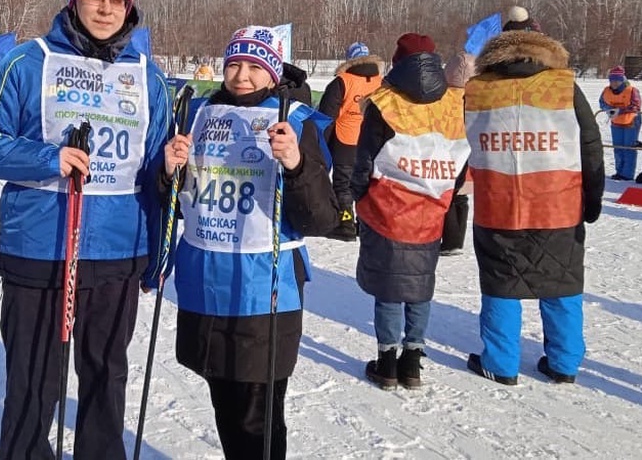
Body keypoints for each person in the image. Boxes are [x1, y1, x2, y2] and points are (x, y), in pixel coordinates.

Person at [0, 0, 170, 460]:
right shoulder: (28, 62)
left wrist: (157, 252)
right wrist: (49, 159)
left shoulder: (148, 76)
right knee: (35, 377)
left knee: (106, 376)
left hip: (119, 248)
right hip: (42, 245)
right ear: (75, 1)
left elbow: (160, 171)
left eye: (115, 0)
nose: (105, 8)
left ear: (128, 8)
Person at [161, 25, 337, 459]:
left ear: (274, 71)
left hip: (265, 285)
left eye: (255, 66)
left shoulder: (292, 120)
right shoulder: (199, 112)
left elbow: (321, 217)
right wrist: (170, 171)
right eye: (235, 63)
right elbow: (177, 204)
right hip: (205, 278)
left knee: (256, 411)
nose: (241, 74)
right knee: (224, 397)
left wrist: (295, 164)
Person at [463, 29, 604, 386]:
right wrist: (593, 197)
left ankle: (501, 362)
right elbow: (590, 144)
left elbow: (459, 144)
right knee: (562, 282)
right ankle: (564, 362)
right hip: (558, 203)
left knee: (501, 284)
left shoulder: (478, 90)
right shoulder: (562, 86)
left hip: (499, 205)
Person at [350, 33, 470, 390]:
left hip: (387, 210)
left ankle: (387, 363)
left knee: (389, 288)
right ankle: (413, 362)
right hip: (431, 210)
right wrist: (447, 193)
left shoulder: (385, 103)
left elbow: (365, 159)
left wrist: (356, 196)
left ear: (397, 63)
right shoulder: (453, 103)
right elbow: (460, 159)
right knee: (420, 286)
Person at [318, 41, 383, 241]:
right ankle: (366, 224)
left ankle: (345, 224)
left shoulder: (342, 81)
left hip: (345, 139)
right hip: (373, 140)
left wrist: (321, 144)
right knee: (369, 183)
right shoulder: (380, 81)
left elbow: (327, 117)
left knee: (342, 184)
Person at [439, 51, 477, 255]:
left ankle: (451, 240)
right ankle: (457, 239)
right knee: (461, 197)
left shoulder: (442, 97)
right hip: (471, 150)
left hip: (450, 150)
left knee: (449, 196)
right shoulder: (479, 97)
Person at [600, 65, 642, 180]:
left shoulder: (632, 90)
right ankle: (619, 172)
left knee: (629, 148)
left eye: (617, 80)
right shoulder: (606, 91)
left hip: (632, 122)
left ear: (622, 80)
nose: (614, 83)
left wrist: (620, 111)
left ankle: (627, 174)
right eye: (612, 80)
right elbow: (602, 102)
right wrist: (608, 109)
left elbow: (636, 106)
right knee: (618, 147)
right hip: (616, 122)